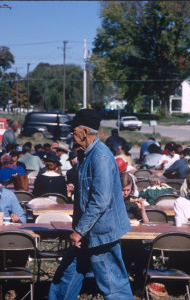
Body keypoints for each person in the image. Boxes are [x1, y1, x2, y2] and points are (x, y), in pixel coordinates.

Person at [48, 109, 133, 300]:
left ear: (84, 132)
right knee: (65, 277)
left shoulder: (100, 157)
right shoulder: (85, 155)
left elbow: (100, 201)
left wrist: (79, 231)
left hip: (101, 234)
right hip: (85, 231)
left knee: (112, 285)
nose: (71, 133)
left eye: (73, 130)